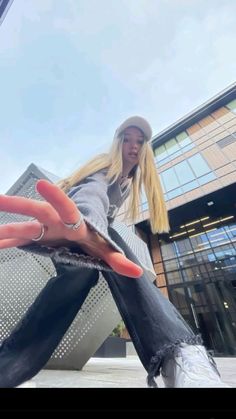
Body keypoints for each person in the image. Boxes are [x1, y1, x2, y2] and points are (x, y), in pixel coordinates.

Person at [0, 116, 230, 388]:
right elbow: (92, 193)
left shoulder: (127, 181)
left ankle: (7, 368)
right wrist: (86, 225)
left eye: (139, 141)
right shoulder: (106, 167)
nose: (133, 146)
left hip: (83, 236)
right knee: (114, 247)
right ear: (117, 143)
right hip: (74, 228)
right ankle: (179, 354)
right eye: (127, 139)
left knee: (79, 278)